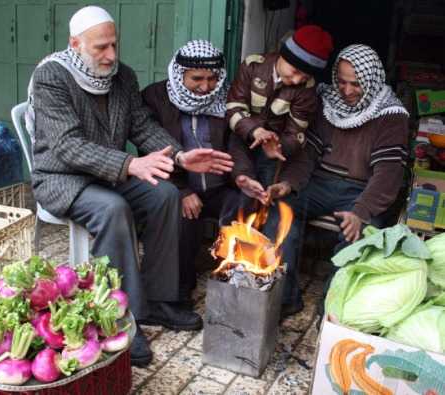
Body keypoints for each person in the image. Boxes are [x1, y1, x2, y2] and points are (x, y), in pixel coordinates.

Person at [27, 6, 234, 367]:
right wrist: (129, 164)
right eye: (100, 48)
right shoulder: (51, 78)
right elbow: (66, 145)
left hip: (109, 174)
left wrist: (181, 157)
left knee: (166, 195)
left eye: (114, 45)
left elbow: (142, 127)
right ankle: (121, 320)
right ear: (75, 44)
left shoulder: (122, 77)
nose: (110, 55)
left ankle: (158, 299)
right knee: (113, 208)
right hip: (64, 179)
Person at [266, 44, 409, 315]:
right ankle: (284, 298)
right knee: (280, 208)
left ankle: (331, 309)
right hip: (320, 184)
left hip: (361, 190)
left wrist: (360, 212)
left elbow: (387, 175)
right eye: (341, 82)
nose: (347, 90)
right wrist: (288, 183)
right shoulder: (328, 103)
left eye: (356, 84)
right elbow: (308, 153)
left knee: (363, 233)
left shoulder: (391, 115)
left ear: (372, 80)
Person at [142, 40, 239, 307]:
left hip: (221, 185)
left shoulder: (227, 97)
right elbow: (149, 148)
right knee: (181, 217)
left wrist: (242, 178)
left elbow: (237, 143)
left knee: (244, 208)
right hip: (180, 185)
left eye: (212, 78)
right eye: (196, 78)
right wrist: (182, 190)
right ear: (179, 74)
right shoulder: (155, 97)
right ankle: (180, 289)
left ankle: (234, 286)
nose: (206, 87)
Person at [227, 25, 333, 204]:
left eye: (305, 77)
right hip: (241, 138)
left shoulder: (307, 90)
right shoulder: (252, 66)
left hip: (273, 151)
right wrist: (256, 132)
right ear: (283, 56)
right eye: (295, 71)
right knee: (240, 191)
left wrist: (278, 146)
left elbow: (296, 133)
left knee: (265, 196)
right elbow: (233, 108)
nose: (298, 80)